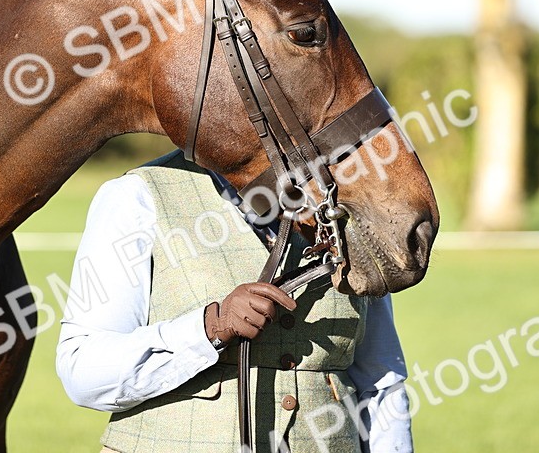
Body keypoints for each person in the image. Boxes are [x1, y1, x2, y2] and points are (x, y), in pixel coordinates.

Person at [56, 151, 413, 453]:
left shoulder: (343, 197)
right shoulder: (135, 195)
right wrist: (209, 328)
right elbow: (82, 371)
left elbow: (380, 383)